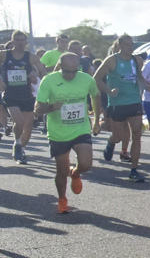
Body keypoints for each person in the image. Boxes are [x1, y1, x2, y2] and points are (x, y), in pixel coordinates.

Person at [34, 52, 100, 213]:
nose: (70, 75)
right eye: (67, 71)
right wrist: (51, 107)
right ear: (60, 67)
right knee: (61, 171)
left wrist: (97, 120)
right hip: (59, 131)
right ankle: (62, 199)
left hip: (80, 128)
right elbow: (37, 109)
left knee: (86, 164)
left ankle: (75, 173)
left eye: (74, 71)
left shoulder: (86, 79)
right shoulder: (49, 81)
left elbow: (95, 96)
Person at [93, 34, 147, 181]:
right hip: (117, 103)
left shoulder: (137, 60)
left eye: (131, 44)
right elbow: (96, 79)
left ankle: (134, 170)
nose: (130, 47)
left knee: (137, 133)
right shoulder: (111, 60)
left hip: (134, 100)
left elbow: (139, 77)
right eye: (127, 44)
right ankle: (111, 143)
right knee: (118, 137)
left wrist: (149, 86)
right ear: (119, 46)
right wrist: (109, 91)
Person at [0, 31, 47, 164]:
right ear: (12, 41)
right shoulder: (4, 55)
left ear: (26, 42)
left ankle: (21, 148)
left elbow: (43, 72)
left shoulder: (31, 57)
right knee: (19, 121)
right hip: (10, 94)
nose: (20, 42)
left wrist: (36, 73)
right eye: (17, 40)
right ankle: (17, 143)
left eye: (22, 40)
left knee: (28, 125)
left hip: (27, 95)